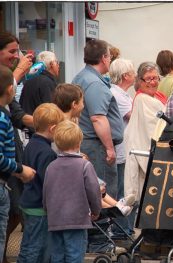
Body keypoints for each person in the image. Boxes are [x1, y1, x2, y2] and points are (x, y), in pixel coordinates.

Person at [52, 83, 134, 217]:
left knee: (95, 183)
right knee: (94, 185)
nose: (84, 105)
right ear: (74, 104)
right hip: (71, 172)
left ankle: (116, 206)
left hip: (71, 167)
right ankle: (114, 207)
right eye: (82, 101)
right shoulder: (66, 124)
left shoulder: (68, 121)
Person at [0, 31, 35, 263]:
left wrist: (44, 123)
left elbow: (17, 113)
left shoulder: (0, 109)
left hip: (8, 159)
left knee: (14, 209)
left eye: (17, 51)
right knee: (5, 212)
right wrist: (19, 169)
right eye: (11, 51)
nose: (15, 56)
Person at [43, 120, 102, 263]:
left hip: (55, 219)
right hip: (77, 218)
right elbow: (93, 190)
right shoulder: (84, 165)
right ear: (78, 143)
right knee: (75, 254)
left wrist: (47, 210)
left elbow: (46, 191)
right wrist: (96, 210)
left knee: (57, 255)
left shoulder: (51, 166)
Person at [12, 103, 65, 263]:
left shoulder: (31, 145)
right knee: (38, 246)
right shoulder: (48, 153)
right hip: (39, 207)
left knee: (27, 243)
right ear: (53, 128)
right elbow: (48, 183)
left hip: (28, 201)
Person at [72, 39, 124, 200]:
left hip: (88, 142)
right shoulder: (95, 83)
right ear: (103, 58)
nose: (110, 60)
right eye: (109, 57)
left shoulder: (81, 77)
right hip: (97, 146)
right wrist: (109, 148)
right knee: (102, 195)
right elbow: (98, 118)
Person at [124, 62, 166, 215]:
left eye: (155, 78)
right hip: (146, 149)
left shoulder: (158, 96)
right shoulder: (142, 99)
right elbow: (151, 128)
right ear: (139, 81)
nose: (153, 82)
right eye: (148, 79)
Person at [109, 58, 136, 235]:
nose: (135, 76)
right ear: (126, 76)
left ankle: (123, 228)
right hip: (120, 151)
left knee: (122, 189)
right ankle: (121, 230)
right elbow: (133, 117)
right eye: (133, 73)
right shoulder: (118, 95)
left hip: (122, 149)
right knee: (123, 190)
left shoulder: (120, 93)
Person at [19, 51, 60, 116]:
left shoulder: (29, 81)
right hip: (39, 123)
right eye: (57, 62)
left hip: (26, 122)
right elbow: (50, 112)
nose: (58, 65)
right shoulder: (47, 83)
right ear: (51, 64)